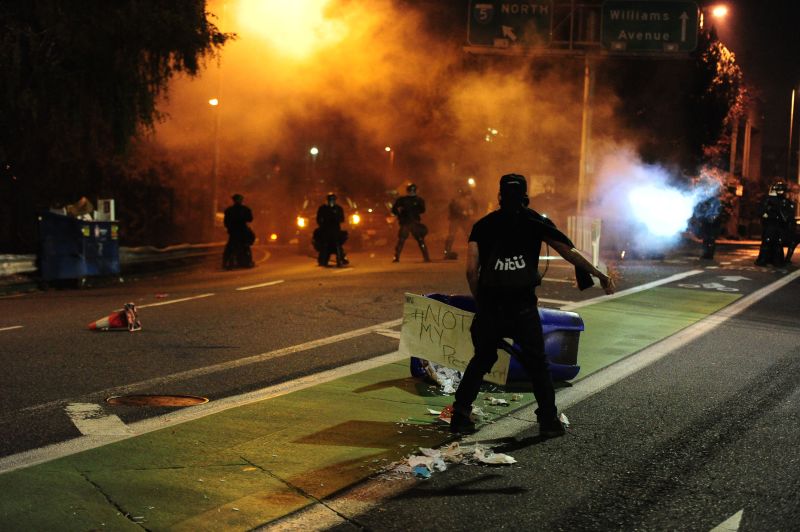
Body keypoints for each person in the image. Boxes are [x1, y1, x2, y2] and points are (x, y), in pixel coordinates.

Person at [450, 174, 615, 437]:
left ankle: (459, 415)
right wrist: (599, 274)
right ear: (525, 196)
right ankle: (548, 421)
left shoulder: (482, 225)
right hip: (522, 308)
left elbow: (471, 271)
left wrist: (481, 303)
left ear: (500, 195)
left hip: (491, 307)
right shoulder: (536, 222)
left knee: (482, 359)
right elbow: (569, 252)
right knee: (537, 364)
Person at [755, 181, 794, 267]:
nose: (780, 192)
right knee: (766, 242)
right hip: (770, 225)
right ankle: (763, 260)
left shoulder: (786, 202)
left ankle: (777, 261)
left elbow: (789, 215)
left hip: (779, 226)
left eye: (781, 190)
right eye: (778, 190)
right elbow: (761, 211)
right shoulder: (768, 200)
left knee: (778, 244)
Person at [391, 183, 430, 262]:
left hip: (409, 222)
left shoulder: (403, 200)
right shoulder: (418, 200)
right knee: (416, 239)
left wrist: (399, 214)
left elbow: (394, 209)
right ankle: (426, 257)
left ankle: (396, 257)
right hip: (411, 222)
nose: (412, 192)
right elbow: (422, 210)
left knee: (403, 240)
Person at [315, 193, 349, 267]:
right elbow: (318, 219)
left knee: (338, 245)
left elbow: (342, 219)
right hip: (325, 231)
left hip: (335, 230)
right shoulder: (322, 208)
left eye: (333, 200)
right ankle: (323, 259)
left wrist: (335, 218)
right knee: (324, 245)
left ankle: (341, 258)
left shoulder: (338, 209)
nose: (331, 201)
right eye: (330, 200)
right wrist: (322, 225)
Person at [444, 187, 478, 260]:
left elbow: (475, 207)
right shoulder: (456, 201)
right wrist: (462, 212)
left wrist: (472, 211)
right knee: (451, 235)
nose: (469, 197)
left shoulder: (471, 201)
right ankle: (447, 252)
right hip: (455, 220)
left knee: (469, 235)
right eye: (468, 196)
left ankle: (474, 252)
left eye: (470, 195)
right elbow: (453, 209)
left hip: (464, 220)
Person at [223, 193, 255, 270]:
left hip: (233, 231)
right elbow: (250, 219)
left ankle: (225, 262)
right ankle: (248, 261)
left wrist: (230, 228)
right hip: (242, 231)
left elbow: (226, 222)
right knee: (246, 245)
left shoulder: (229, 210)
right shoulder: (246, 209)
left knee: (230, 247)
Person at [693, 195, 722, 260]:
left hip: (713, 224)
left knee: (710, 239)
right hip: (706, 223)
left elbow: (718, 212)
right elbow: (699, 212)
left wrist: (714, 218)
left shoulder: (716, 202)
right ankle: (706, 254)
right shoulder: (703, 203)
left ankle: (709, 254)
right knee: (706, 239)